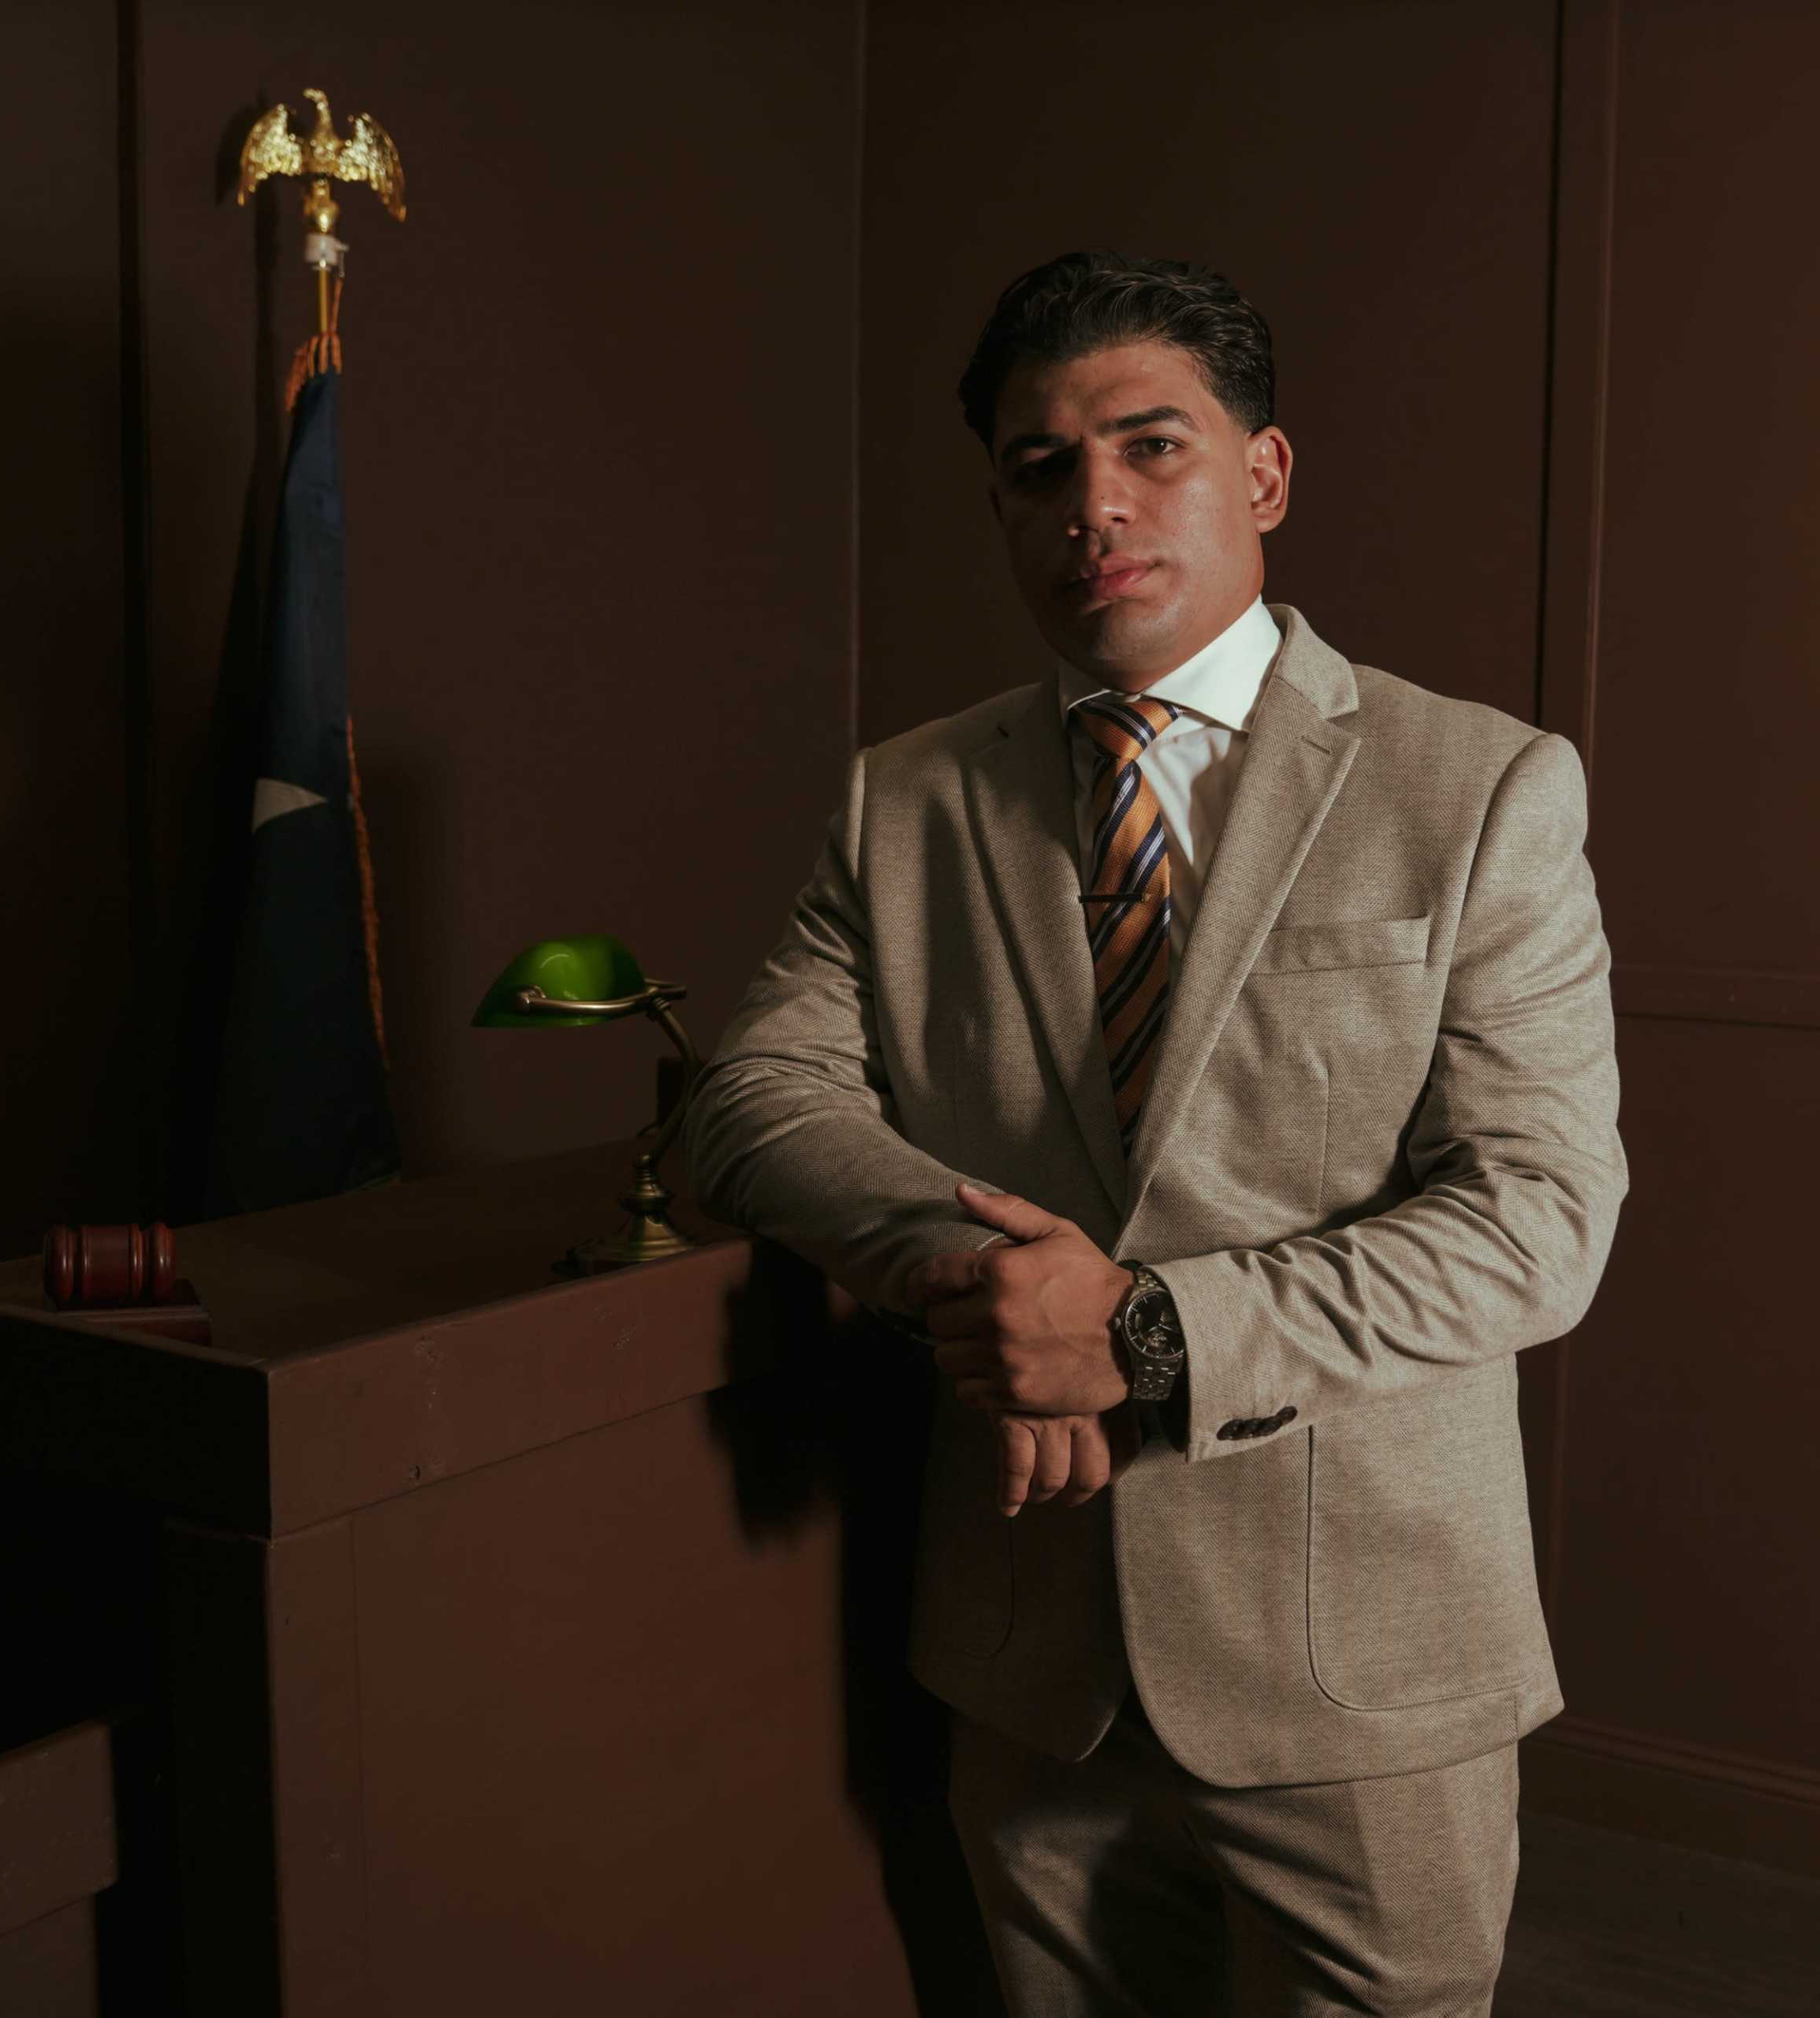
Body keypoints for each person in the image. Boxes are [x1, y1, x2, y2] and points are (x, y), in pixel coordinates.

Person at [681, 249, 1626, 2018]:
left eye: (1151, 445)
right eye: (1041, 468)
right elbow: (752, 1100)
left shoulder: (1482, 784)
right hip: (1027, 1650)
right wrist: (987, 1273)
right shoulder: (908, 798)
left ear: (1263, 473)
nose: (1093, 504)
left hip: (1362, 1668)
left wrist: (1138, 1333)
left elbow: (1538, 1219)